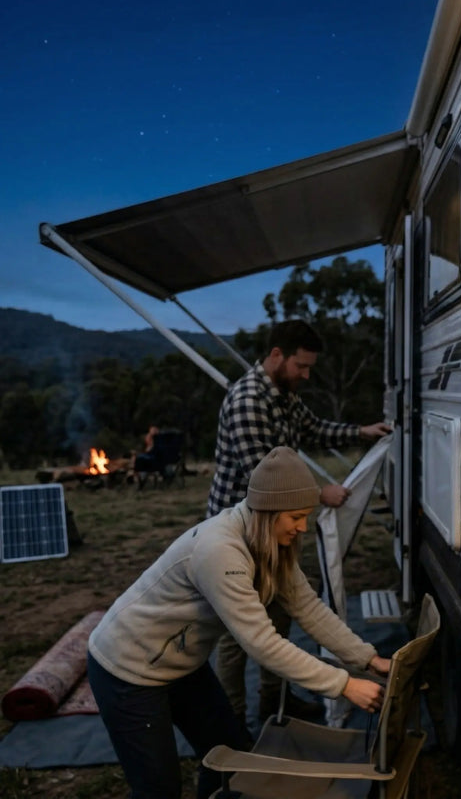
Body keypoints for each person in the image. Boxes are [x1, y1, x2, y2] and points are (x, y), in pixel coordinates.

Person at [88, 447, 391, 799]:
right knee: (159, 789)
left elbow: (308, 608)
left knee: (230, 757)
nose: (303, 527)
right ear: (269, 512)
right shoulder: (220, 551)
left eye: (306, 516)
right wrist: (344, 685)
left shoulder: (270, 541)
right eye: (296, 516)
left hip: (181, 665)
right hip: (127, 668)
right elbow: (261, 642)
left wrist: (367, 659)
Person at [207, 318, 390, 723]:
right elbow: (262, 476)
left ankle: (276, 707)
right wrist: (319, 493)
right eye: (301, 366)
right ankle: (231, 724)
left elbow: (314, 428)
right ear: (276, 355)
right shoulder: (248, 401)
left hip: (277, 531)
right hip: (242, 534)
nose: (306, 375)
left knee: (280, 618)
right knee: (239, 636)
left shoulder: (284, 395)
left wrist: (362, 432)